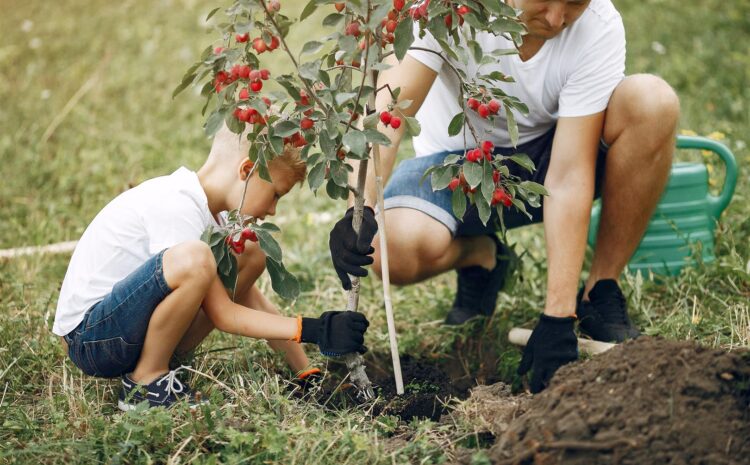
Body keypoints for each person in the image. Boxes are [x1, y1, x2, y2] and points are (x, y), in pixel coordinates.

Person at [329, 0, 679, 393]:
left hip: (549, 160)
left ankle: (600, 290)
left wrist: (557, 317)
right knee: (392, 248)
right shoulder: (445, 10)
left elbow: (567, 175)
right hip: (455, 170)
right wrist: (357, 212)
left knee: (652, 100)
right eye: (545, 1)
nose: (556, 19)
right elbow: (387, 116)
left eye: (574, 4)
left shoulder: (599, 24)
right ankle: (483, 255)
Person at [54, 124, 370, 411]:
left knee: (249, 253)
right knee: (197, 259)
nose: (273, 210)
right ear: (246, 170)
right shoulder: (176, 204)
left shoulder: (214, 220)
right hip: (92, 338)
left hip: (124, 332)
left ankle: (154, 362)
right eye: (275, 195)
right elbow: (224, 313)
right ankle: (144, 386)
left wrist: (304, 371)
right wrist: (314, 330)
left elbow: (247, 297)